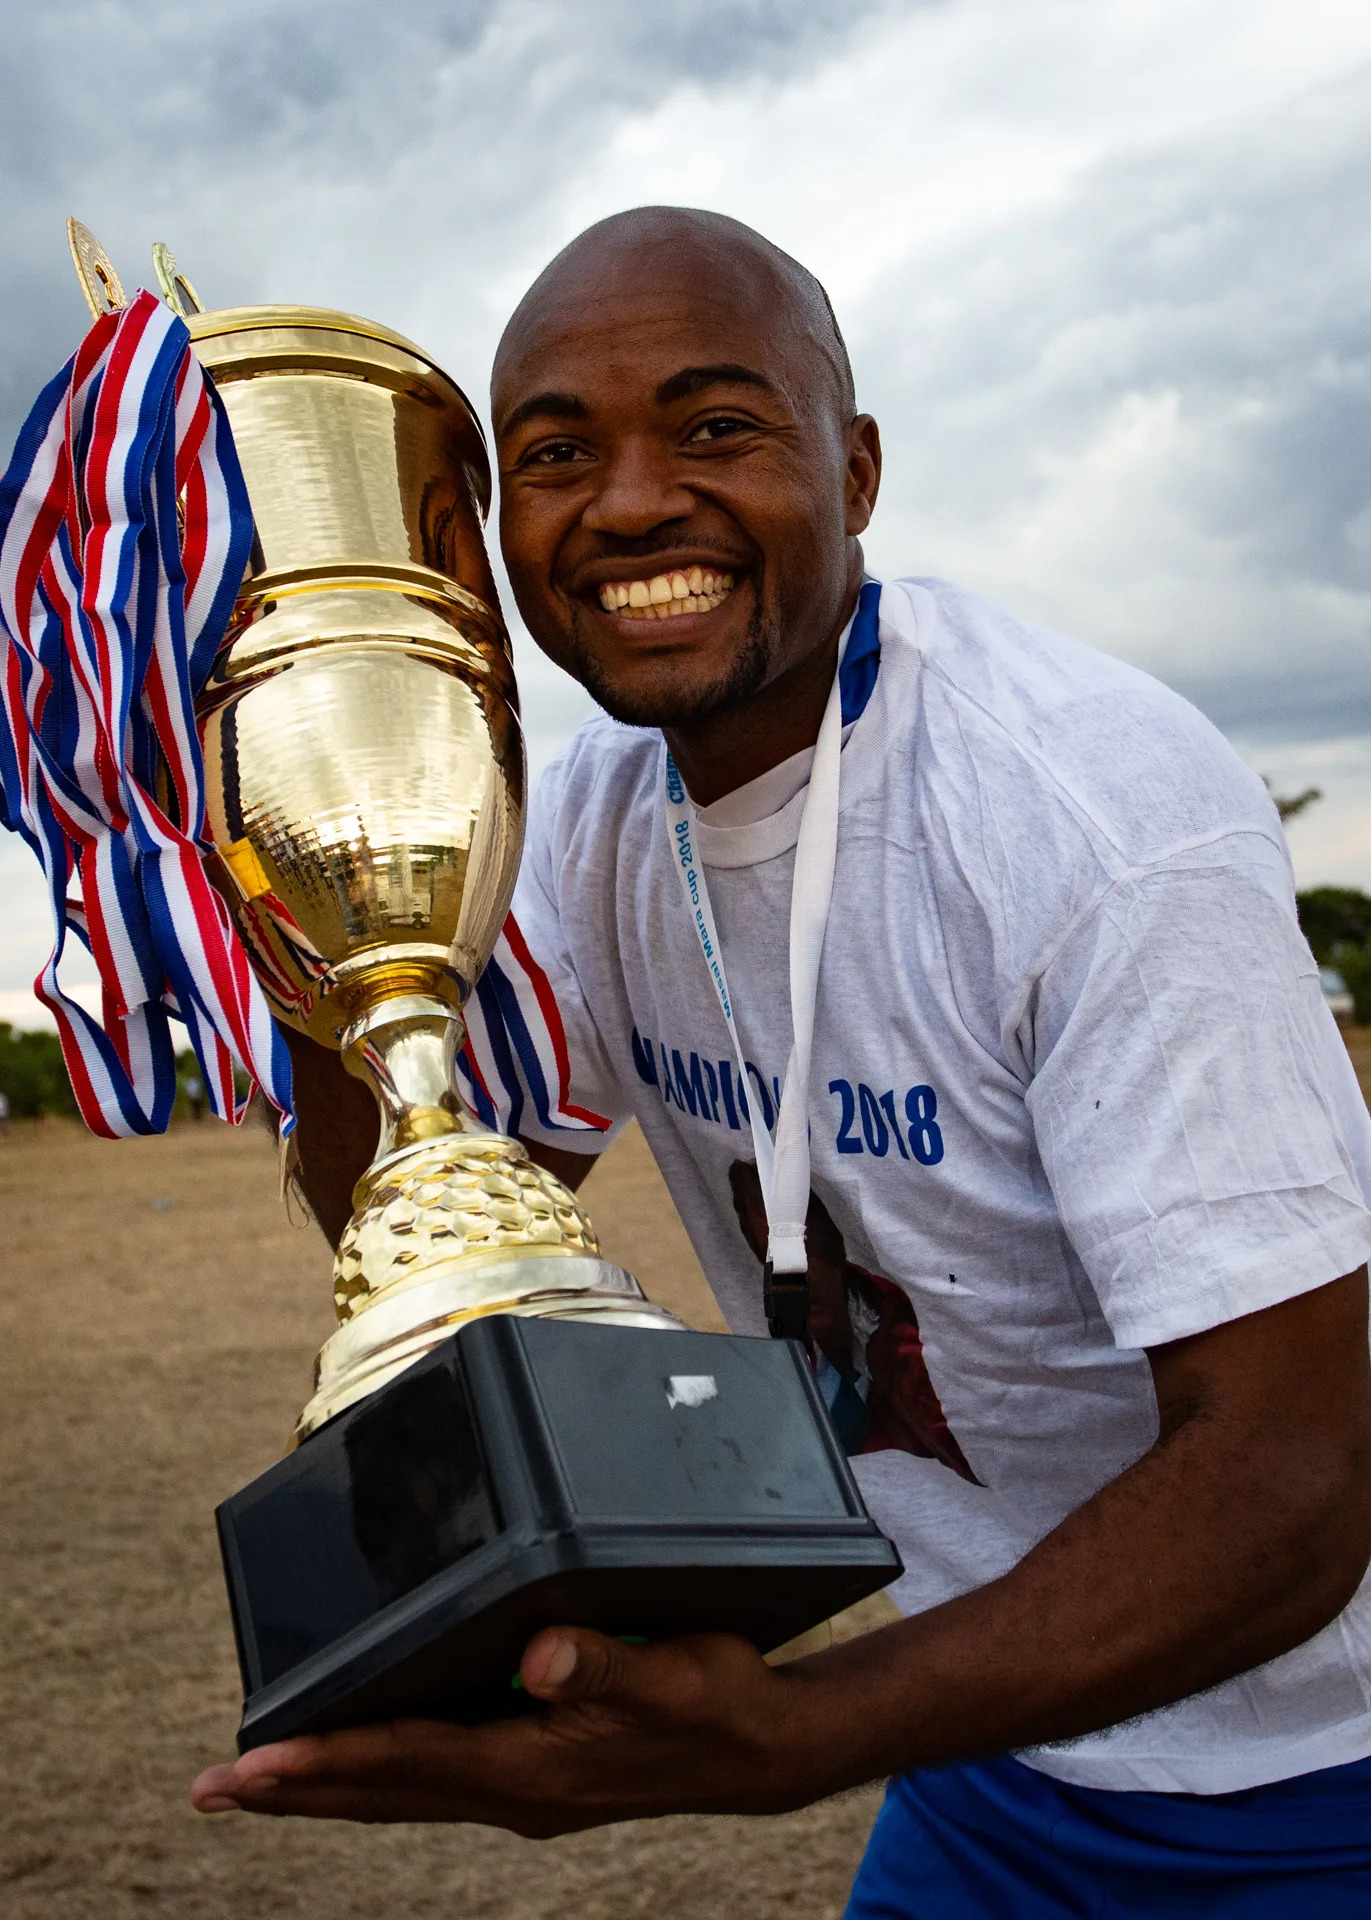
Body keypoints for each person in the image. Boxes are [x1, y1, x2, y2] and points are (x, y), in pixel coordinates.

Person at [192, 208, 1371, 1915]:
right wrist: (280, 854)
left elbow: (1299, 1472)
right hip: (998, 1757)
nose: (632, 501)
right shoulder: (587, 816)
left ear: (860, 469)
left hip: (1316, 1777)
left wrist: (794, 1735)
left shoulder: (1088, 817)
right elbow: (428, 1231)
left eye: (716, 425)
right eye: (554, 454)